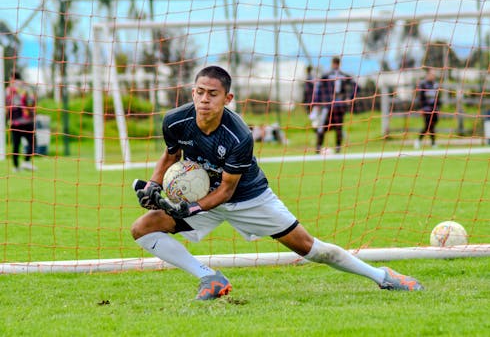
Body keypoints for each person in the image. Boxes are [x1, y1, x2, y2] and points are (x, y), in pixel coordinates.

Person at [131, 66, 423, 301]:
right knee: (142, 228)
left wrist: (190, 209)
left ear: (227, 99)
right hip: (203, 198)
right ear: (191, 92)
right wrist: (154, 185)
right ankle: (210, 277)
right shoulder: (174, 121)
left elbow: (227, 190)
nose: (204, 99)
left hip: (249, 198)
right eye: (199, 92)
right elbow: (171, 154)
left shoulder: (240, 136)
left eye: (213, 94)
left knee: (312, 249)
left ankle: (382, 276)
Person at [311, 57, 358, 154]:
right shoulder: (327, 76)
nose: (335, 65)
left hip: (338, 105)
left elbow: (356, 86)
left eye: (336, 63)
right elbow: (319, 88)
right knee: (323, 127)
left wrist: (350, 97)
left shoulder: (342, 76)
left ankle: (337, 148)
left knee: (338, 128)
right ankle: (319, 147)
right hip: (328, 106)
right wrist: (317, 102)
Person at [5, 70, 37, 172]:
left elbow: (6, 105)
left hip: (14, 122)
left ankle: (15, 167)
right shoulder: (26, 88)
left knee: (16, 145)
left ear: (11, 78)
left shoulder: (8, 90)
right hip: (27, 121)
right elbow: (31, 101)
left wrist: (7, 119)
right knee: (33, 142)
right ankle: (26, 162)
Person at [414, 68, 440, 149]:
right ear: (428, 75)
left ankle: (428, 142)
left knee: (432, 126)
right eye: (432, 74)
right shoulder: (423, 84)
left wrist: (438, 108)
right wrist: (421, 108)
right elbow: (420, 97)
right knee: (428, 125)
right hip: (426, 109)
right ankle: (426, 142)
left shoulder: (435, 84)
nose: (433, 76)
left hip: (434, 108)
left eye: (434, 75)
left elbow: (438, 98)